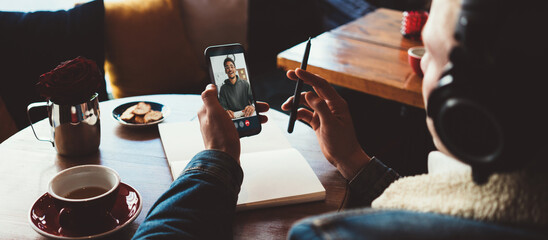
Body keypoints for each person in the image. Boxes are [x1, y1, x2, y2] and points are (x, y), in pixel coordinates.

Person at [132, 0, 548, 239]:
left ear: (468, 104)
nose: (423, 72)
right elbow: (436, 209)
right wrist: (354, 161)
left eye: (431, 55)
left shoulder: (330, 235)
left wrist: (217, 159)